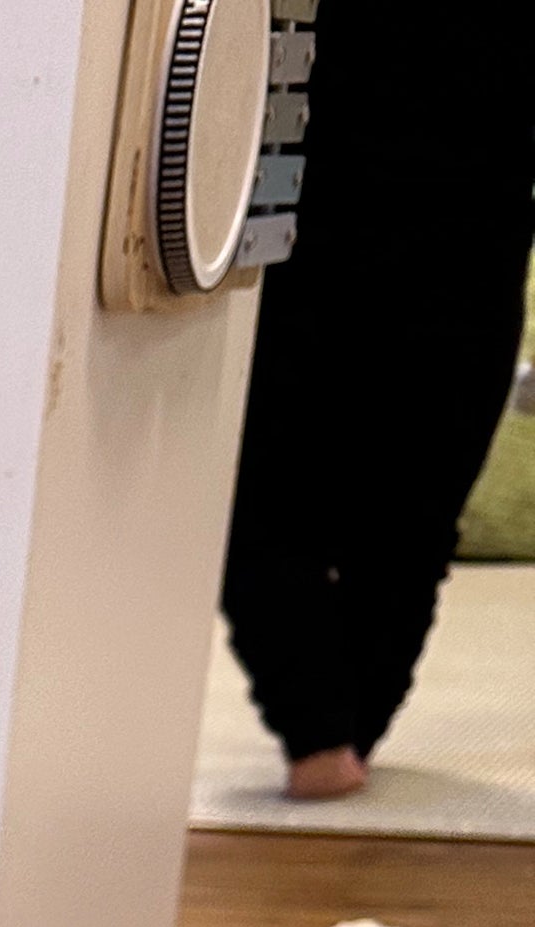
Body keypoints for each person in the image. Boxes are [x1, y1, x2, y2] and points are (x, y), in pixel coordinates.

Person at [220, 0, 535, 799]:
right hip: (323, 224)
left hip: (450, 231)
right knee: (282, 503)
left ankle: (333, 732)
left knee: (396, 517)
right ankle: (327, 731)